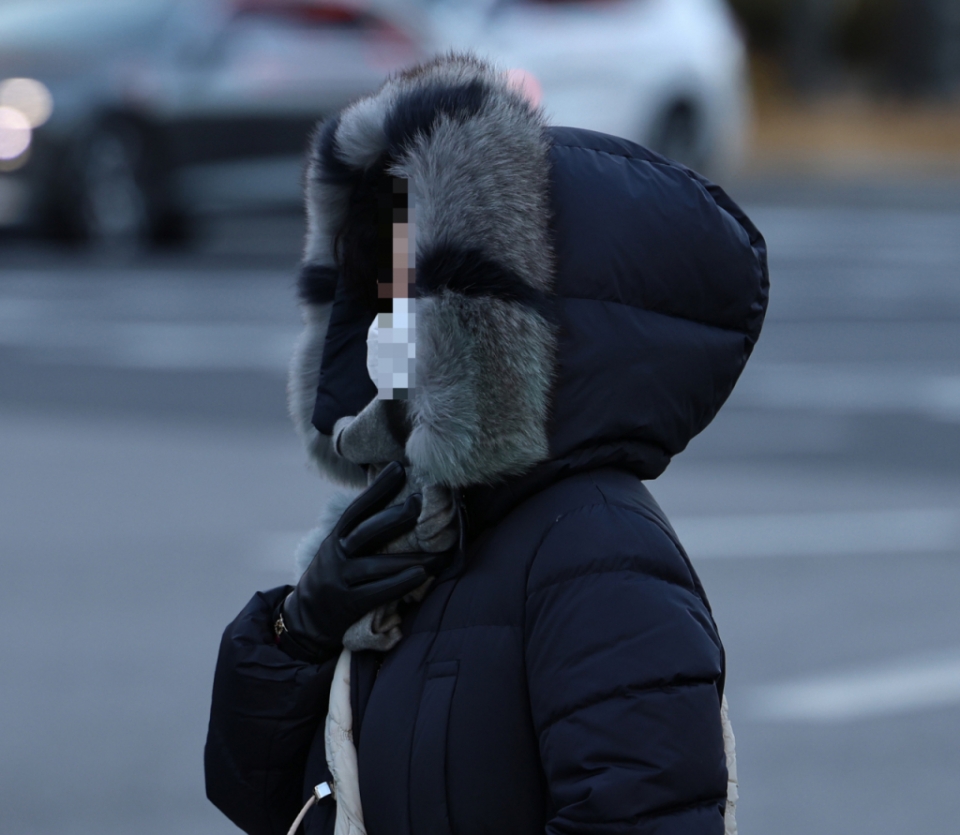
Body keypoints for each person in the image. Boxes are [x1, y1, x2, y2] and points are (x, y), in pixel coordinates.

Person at [205, 54, 767, 835]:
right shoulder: (417, 532)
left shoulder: (600, 554)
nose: (387, 317)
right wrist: (297, 631)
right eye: (380, 285)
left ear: (503, 313)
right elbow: (269, 800)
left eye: (418, 286)